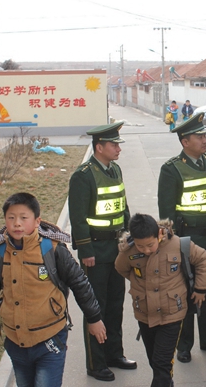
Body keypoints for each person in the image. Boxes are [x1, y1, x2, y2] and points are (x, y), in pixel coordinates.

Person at [0, 192, 107, 387]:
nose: (17, 224)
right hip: (16, 342)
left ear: (37, 221)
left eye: (24, 218)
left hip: (50, 340)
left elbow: (79, 283)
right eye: (11, 218)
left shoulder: (52, 249)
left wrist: (94, 318)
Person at [157, 112, 206, 364]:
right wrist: (171, 241)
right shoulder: (171, 169)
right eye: (199, 136)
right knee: (186, 291)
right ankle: (184, 344)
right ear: (185, 142)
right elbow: (166, 211)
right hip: (186, 241)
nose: (204, 140)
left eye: (204, 136)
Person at [68, 123, 136, 382]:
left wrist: (130, 237)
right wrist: (85, 250)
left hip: (117, 249)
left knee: (116, 305)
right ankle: (96, 363)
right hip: (95, 250)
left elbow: (123, 206)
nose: (118, 149)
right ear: (99, 147)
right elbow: (78, 217)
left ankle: (114, 354)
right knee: (95, 307)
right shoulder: (83, 175)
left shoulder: (114, 169)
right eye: (114, 145)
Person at [115, 214, 206, 387]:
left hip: (172, 314)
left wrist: (200, 289)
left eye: (150, 245)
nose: (145, 250)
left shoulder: (177, 244)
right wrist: (140, 286)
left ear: (159, 234)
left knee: (161, 363)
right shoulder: (129, 251)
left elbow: (203, 259)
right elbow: (121, 268)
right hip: (144, 314)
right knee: (155, 360)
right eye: (140, 246)